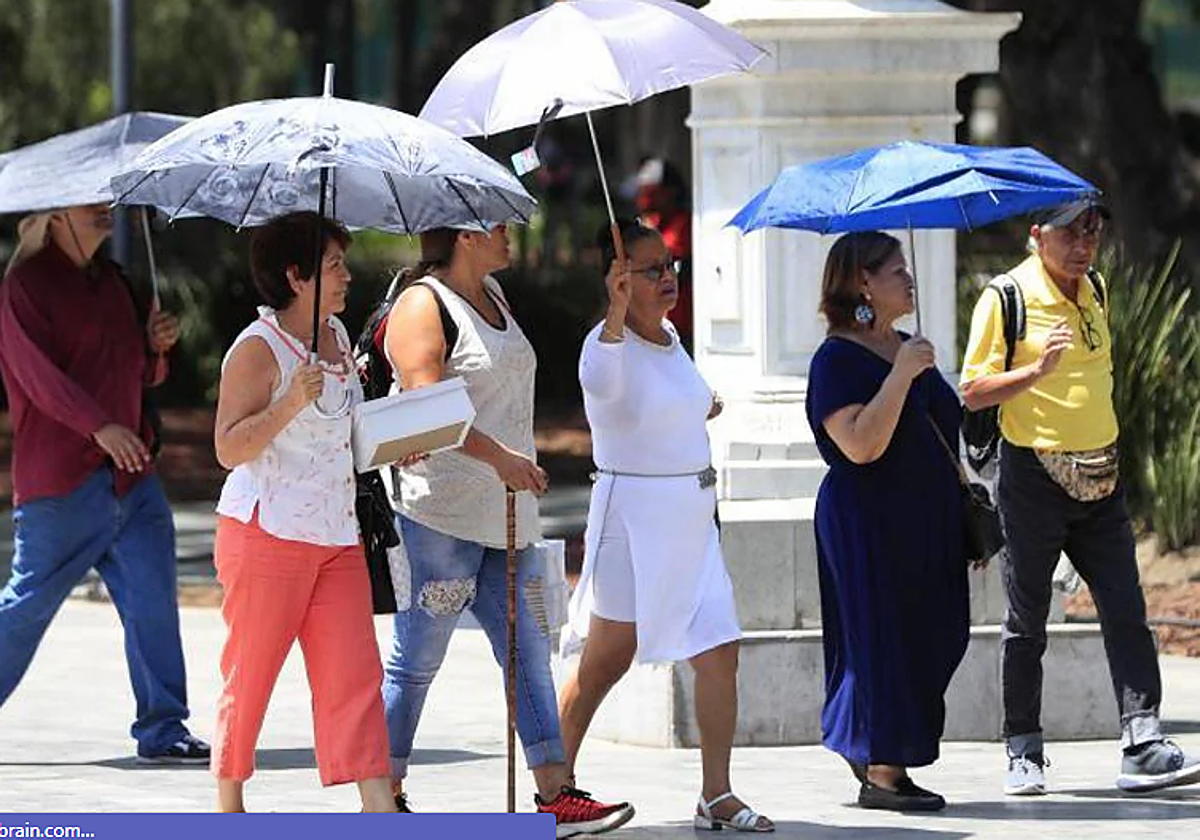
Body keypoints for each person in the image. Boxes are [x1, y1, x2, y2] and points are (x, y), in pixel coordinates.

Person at [381, 222, 633, 834]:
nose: (510, 232)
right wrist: (503, 459)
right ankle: (382, 792)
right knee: (418, 658)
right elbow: (427, 402)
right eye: (495, 224)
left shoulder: (494, 294)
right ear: (465, 234)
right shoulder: (422, 303)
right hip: (439, 514)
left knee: (526, 655)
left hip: (507, 513)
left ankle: (556, 795)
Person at [960, 198, 1200, 796]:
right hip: (1031, 477)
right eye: (1070, 231)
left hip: (1102, 475)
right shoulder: (1006, 297)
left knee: (1126, 610)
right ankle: (1024, 750)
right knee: (1027, 620)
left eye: (1092, 230)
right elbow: (972, 390)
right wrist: (1036, 371)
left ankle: (1142, 742)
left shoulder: (1095, 287)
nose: (1084, 243)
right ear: (1037, 235)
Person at [557, 220, 773, 833]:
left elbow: (673, 401)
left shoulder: (672, 337)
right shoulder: (605, 345)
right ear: (618, 277)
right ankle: (556, 787)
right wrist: (617, 312)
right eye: (651, 269)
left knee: (719, 649)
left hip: (692, 522)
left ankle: (716, 794)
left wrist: (702, 405)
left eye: (670, 263)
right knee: (605, 660)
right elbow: (601, 385)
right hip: (634, 525)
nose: (667, 276)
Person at [0, 205, 208, 764]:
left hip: (133, 479)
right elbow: (36, 378)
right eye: (88, 201)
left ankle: (164, 730)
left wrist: (157, 344)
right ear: (55, 214)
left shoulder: (115, 281)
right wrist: (99, 426)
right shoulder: (25, 284)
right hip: (61, 485)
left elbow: (141, 372)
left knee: (152, 605)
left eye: (105, 199)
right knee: (24, 611)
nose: (103, 209)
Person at [210, 212, 395, 813]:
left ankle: (378, 808)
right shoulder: (257, 350)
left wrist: (399, 441)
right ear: (296, 275)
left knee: (356, 677)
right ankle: (229, 800)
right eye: (334, 264)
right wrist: (290, 401)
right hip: (267, 533)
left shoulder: (338, 335)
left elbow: (349, 434)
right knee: (252, 672)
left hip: (338, 534)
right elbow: (227, 447)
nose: (346, 274)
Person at [805, 231, 969, 812]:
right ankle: (881, 767)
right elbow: (860, 445)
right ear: (862, 283)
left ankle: (880, 750)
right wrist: (899, 375)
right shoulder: (837, 359)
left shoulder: (907, 345)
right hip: (867, 523)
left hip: (927, 521)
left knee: (939, 633)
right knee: (881, 641)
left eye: (907, 268)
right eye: (895, 271)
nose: (909, 278)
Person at [632, 158, 693, 354]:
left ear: (670, 192)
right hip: (650, 326)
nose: (646, 199)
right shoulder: (651, 224)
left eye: (653, 193)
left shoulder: (684, 225)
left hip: (681, 324)